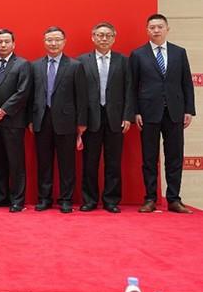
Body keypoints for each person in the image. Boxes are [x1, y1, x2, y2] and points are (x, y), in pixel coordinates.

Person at [130, 13, 195, 213]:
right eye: (152, 27)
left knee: (175, 156)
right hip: (148, 112)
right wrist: (135, 112)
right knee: (149, 158)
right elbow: (132, 86)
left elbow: (186, 83)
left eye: (160, 27)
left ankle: (174, 199)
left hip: (175, 112)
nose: (156, 30)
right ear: (147, 30)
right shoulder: (138, 54)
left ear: (167, 29)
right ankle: (150, 198)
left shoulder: (179, 52)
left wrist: (189, 110)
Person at [28, 26, 87, 213]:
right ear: (44, 42)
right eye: (49, 40)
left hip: (66, 121)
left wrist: (81, 123)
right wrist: (31, 119)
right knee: (44, 162)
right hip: (41, 119)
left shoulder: (75, 66)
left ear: (64, 42)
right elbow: (30, 96)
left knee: (67, 163)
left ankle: (66, 199)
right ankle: (44, 198)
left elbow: (82, 97)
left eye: (57, 40)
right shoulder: (35, 66)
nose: (53, 43)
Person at [78, 22, 133, 213]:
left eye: (108, 35)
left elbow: (129, 90)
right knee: (90, 162)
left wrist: (128, 116)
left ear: (114, 38)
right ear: (93, 37)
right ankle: (90, 200)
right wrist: (80, 121)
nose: (104, 39)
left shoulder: (123, 61)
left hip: (115, 118)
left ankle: (111, 200)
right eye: (100, 35)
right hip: (90, 118)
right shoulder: (82, 61)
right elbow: (78, 94)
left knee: (113, 162)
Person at [0, 29, 31, 213]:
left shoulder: (22, 64)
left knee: (16, 162)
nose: (3, 45)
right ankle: (1, 197)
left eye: (6, 42)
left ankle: (17, 200)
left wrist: (3, 111)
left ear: (13, 44)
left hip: (13, 120)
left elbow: (23, 92)